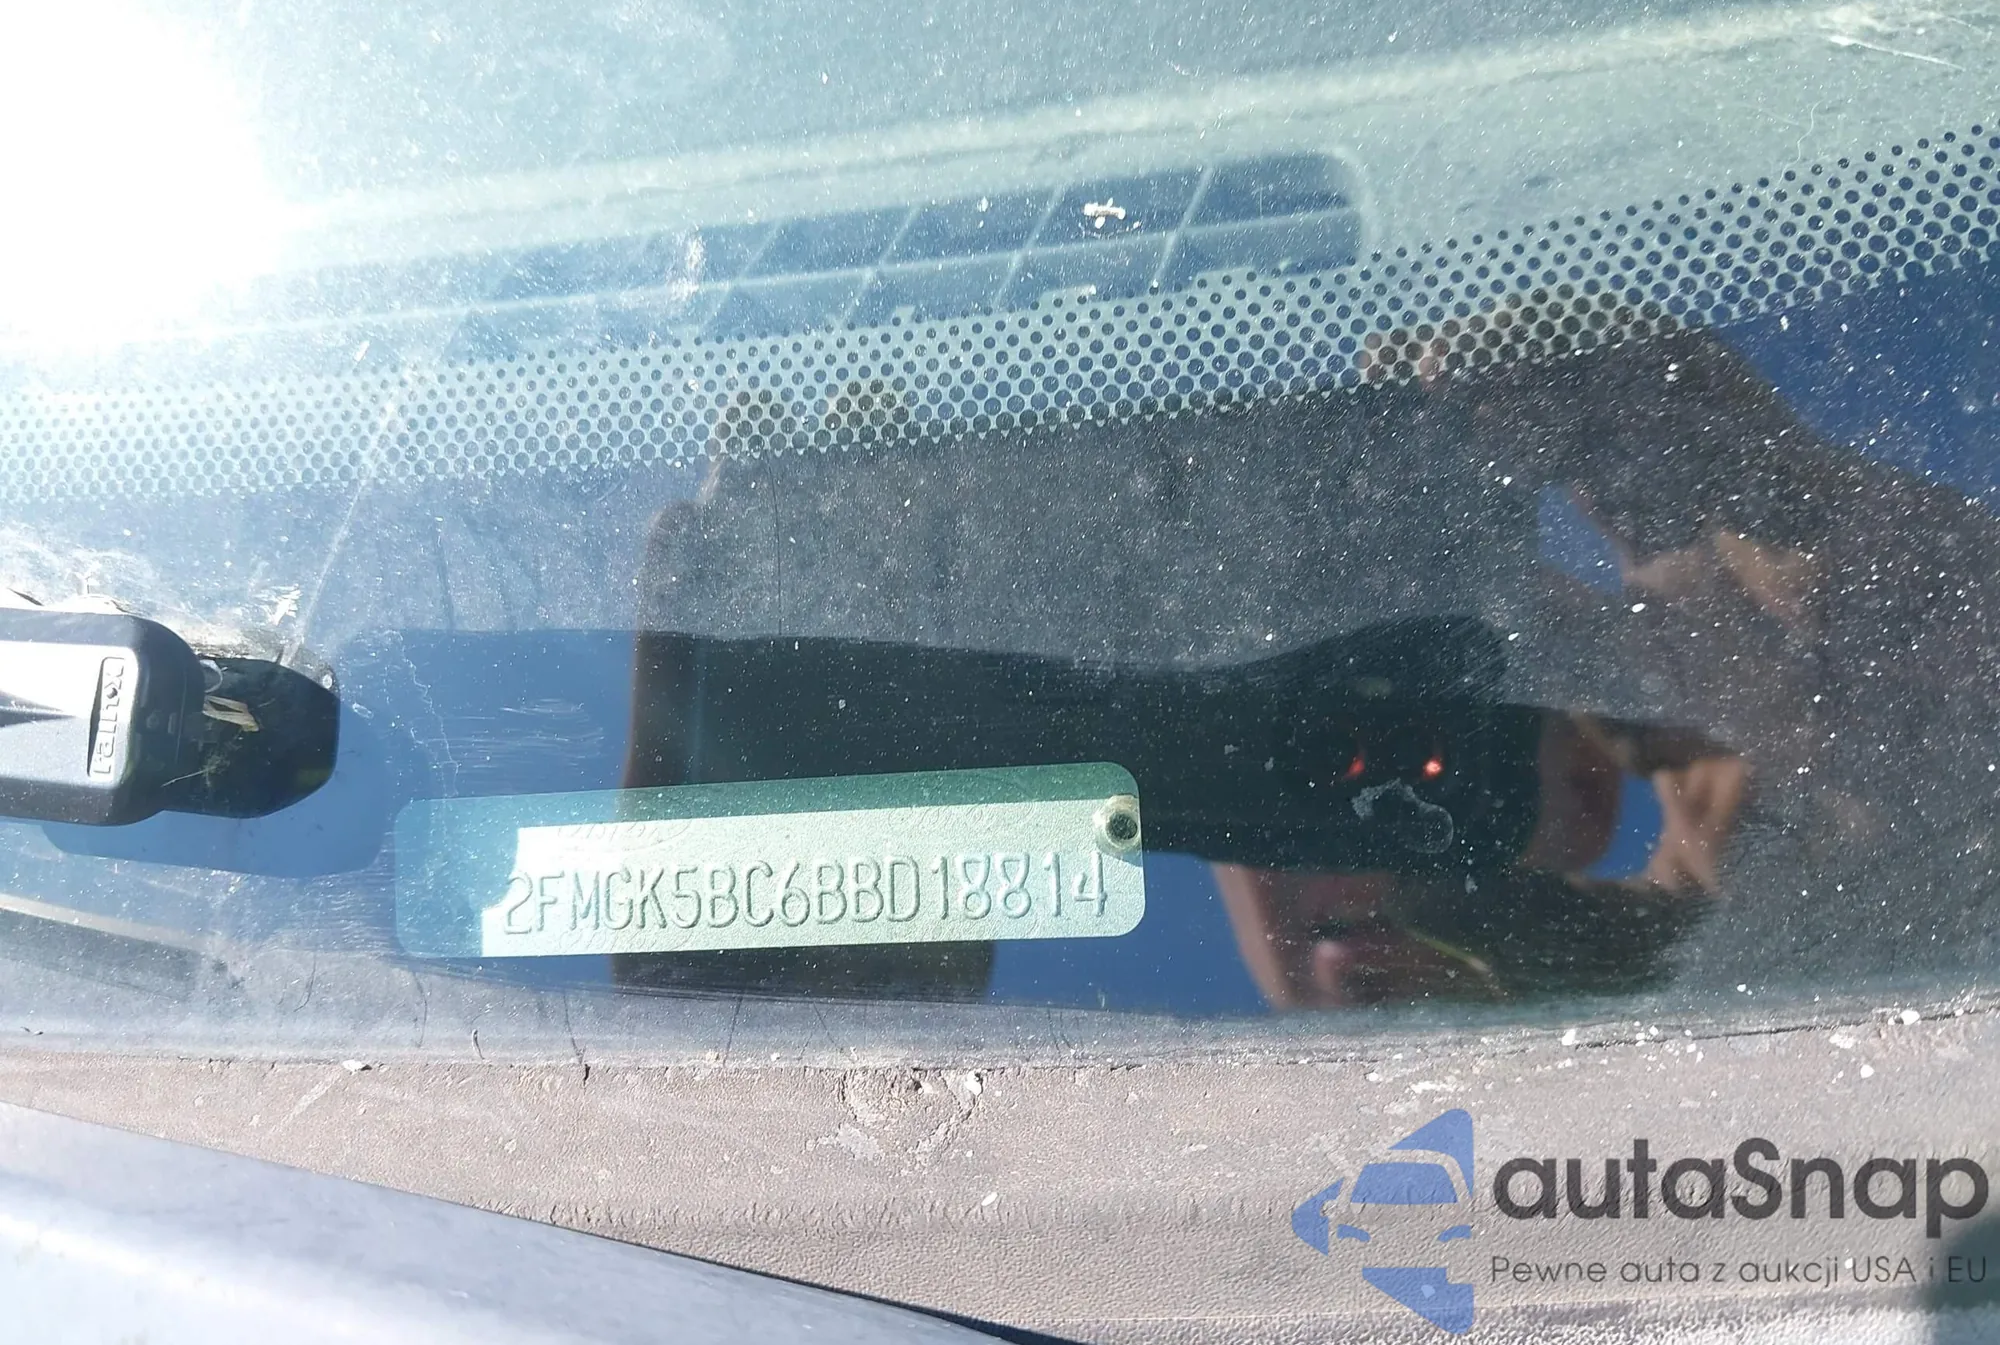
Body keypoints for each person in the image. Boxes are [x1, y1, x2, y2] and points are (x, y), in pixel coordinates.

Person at [619, 294, 2000, 1008]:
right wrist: (785, 699)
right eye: (1300, 756)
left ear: (1583, 777)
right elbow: (765, 1113)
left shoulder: (1828, 994)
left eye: (1402, 758)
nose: (1366, 848)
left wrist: (1818, 609)